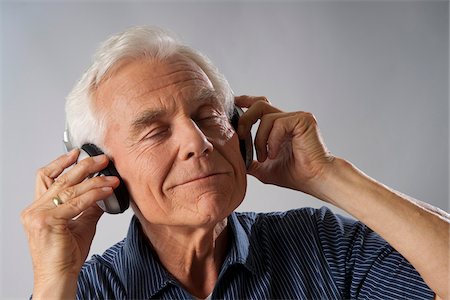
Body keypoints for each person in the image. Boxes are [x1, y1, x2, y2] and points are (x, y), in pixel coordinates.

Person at [21, 26, 448, 300]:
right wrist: (55, 276)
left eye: (207, 116)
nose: (198, 141)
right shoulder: (89, 291)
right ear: (104, 172)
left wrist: (328, 175)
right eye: (154, 130)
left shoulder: (321, 245)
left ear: (238, 131)